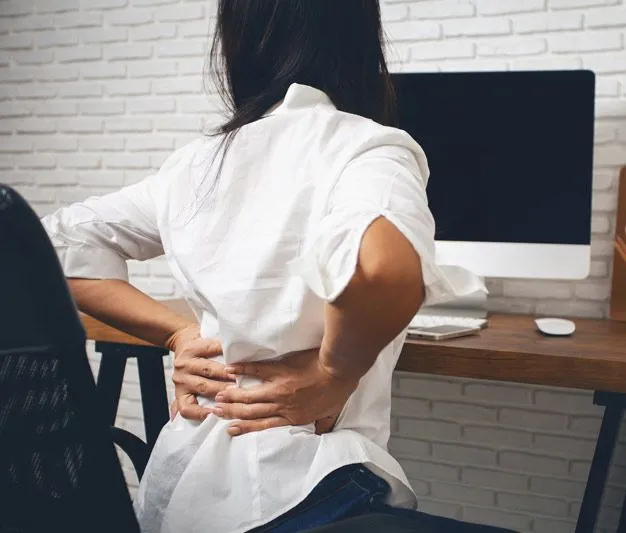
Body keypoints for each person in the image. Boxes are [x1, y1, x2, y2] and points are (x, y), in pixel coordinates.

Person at [39, 1, 518, 532]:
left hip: (182, 493)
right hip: (308, 485)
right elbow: (385, 271)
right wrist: (335, 373)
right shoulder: (365, 148)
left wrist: (178, 333)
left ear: (237, 41)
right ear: (360, 39)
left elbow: (56, 242)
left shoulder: (194, 164)